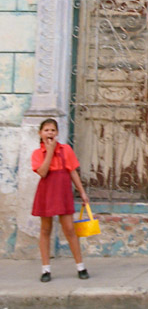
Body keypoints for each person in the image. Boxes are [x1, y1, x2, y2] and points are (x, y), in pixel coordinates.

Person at [31, 118, 89, 282]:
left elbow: (72, 172)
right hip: (46, 192)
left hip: (62, 192)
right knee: (45, 229)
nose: (50, 133)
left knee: (70, 229)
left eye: (52, 130)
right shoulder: (37, 153)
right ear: (40, 133)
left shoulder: (66, 150)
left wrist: (82, 192)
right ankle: (46, 269)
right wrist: (49, 152)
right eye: (46, 130)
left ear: (57, 133)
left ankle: (80, 266)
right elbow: (42, 172)